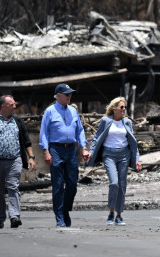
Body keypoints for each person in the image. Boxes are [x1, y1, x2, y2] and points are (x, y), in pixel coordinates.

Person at [0, 95, 36, 229]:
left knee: (13, 187)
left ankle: (14, 216)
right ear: (3, 106)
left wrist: (31, 157)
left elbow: (27, 141)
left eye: (15, 104)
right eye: (12, 104)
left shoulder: (18, 121)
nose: (15, 106)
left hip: (15, 160)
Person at [39, 84, 90, 227]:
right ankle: (60, 216)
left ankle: (66, 209)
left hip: (71, 149)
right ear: (58, 95)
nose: (69, 96)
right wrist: (46, 151)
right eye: (67, 94)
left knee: (72, 183)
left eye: (70, 94)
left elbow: (80, 130)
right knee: (58, 184)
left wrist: (83, 148)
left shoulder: (73, 111)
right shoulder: (50, 111)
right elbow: (44, 132)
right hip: (56, 148)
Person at [88, 97, 142, 226]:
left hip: (124, 155)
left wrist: (137, 159)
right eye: (121, 107)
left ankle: (119, 215)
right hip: (109, 155)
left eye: (124, 107)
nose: (124, 109)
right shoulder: (106, 121)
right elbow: (96, 137)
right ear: (114, 109)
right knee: (114, 183)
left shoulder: (127, 122)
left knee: (122, 185)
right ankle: (111, 212)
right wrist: (91, 151)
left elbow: (133, 142)